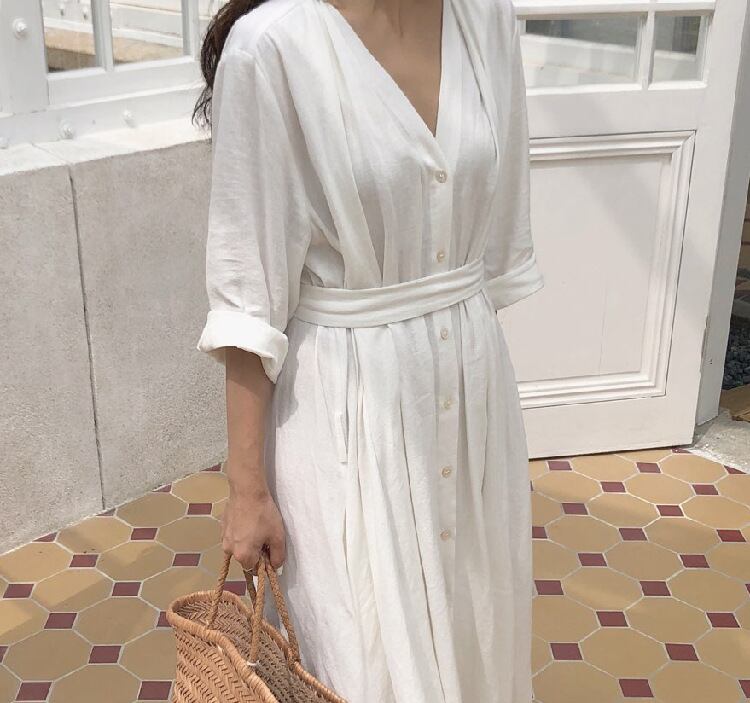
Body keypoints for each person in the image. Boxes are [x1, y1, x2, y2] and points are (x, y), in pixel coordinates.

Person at [195, 0, 544, 699]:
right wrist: (247, 488)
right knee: (363, 653)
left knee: (478, 625)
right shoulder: (273, 48)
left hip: (472, 395)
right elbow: (247, 304)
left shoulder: (486, 21)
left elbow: (496, 238)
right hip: (345, 414)